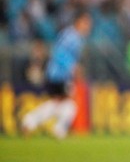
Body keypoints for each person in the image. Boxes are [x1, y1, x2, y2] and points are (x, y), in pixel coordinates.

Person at [21, 10, 92, 139]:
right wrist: (72, 66)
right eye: (86, 23)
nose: (88, 26)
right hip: (58, 75)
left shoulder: (73, 36)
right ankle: (53, 127)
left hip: (57, 75)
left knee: (59, 103)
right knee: (68, 104)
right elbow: (58, 52)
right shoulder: (72, 36)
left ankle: (33, 122)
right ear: (79, 22)